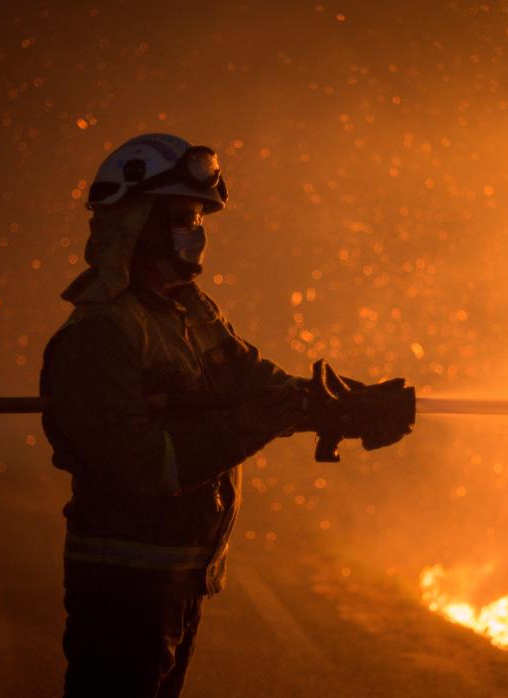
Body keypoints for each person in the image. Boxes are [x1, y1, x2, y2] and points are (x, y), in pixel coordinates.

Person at [39, 133, 412, 697]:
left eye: (199, 217)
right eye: (184, 215)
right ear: (137, 225)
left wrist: (350, 409)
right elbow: (143, 465)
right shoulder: (100, 335)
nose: (197, 232)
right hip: (123, 589)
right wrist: (249, 425)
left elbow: (260, 386)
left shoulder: (188, 312)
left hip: (179, 580)